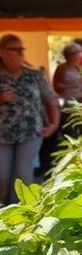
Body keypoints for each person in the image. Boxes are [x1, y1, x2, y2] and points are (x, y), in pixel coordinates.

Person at [0, 34, 59, 204]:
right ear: (2, 52)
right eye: (15, 49)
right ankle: (4, 210)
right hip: (2, 135)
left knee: (23, 174)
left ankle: (23, 211)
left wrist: (54, 124)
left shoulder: (34, 75)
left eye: (22, 49)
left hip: (31, 132)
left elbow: (50, 99)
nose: (20, 53)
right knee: (2, 175)